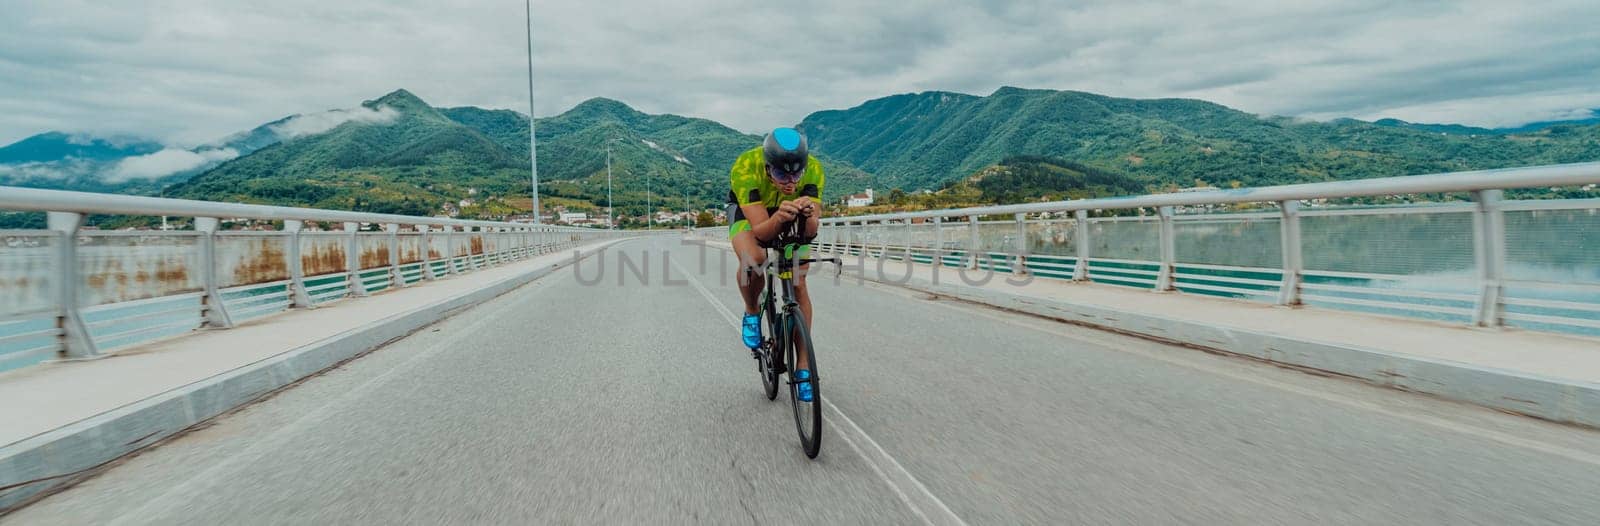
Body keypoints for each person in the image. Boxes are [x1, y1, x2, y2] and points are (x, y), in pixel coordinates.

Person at [727, 127, 823, 402]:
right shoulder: (746, 167)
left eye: (796, 174)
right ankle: (751, 310)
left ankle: (804, 367)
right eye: (781, 175)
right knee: (754, 260)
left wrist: (808, 215)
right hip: (751, 214)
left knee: (798, 281)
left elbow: (811, 231)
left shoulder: (814, 170)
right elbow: (761, 233)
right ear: (768, 168)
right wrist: (779, 218)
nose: (790, 182)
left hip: (790, 212)